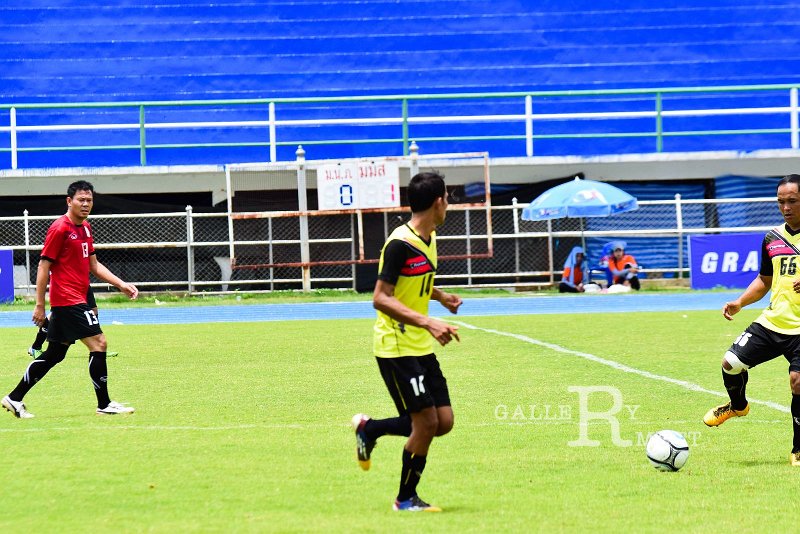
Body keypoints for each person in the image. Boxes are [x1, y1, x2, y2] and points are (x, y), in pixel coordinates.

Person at [351, 171, 462, 512]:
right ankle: (405, 498)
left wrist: (440, 296)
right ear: (438, 202)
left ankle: (369, 429)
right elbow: (381, 297)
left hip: (419, 344)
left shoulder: (429, 237)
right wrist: (428, 321)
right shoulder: (400, 243)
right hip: (396, 346)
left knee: (443, 421)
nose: (448, 205)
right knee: (426, 423)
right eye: (447, 198)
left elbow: (417, 277)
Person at [2, 180, 138, 419]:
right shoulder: (59, 228)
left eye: (89, 200)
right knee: (99, 343)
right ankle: (104, 404)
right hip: (68, 300)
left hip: (75, 298)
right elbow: (43, 266)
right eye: (81, 200)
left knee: (54, 354)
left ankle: (14, 398)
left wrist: (121, 284)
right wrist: (40, 305)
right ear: (69, 201)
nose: (86, 204)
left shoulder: (85, 228)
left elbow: (94, 265)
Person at [703, 174, 800, 466]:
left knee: (797, 382)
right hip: (773, 322)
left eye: (792, 201)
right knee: (730, 364)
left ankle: (799, 450)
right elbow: (764, 280)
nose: (785, 207)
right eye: (781, 201)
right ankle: (738, 406)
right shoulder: (772, 237)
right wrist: (740, 302)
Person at [28, 286, 118, 358]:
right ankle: (36, 347)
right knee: (56, 313)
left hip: (82, 281)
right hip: (65, 283)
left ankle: (98, 348)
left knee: (93, 310)